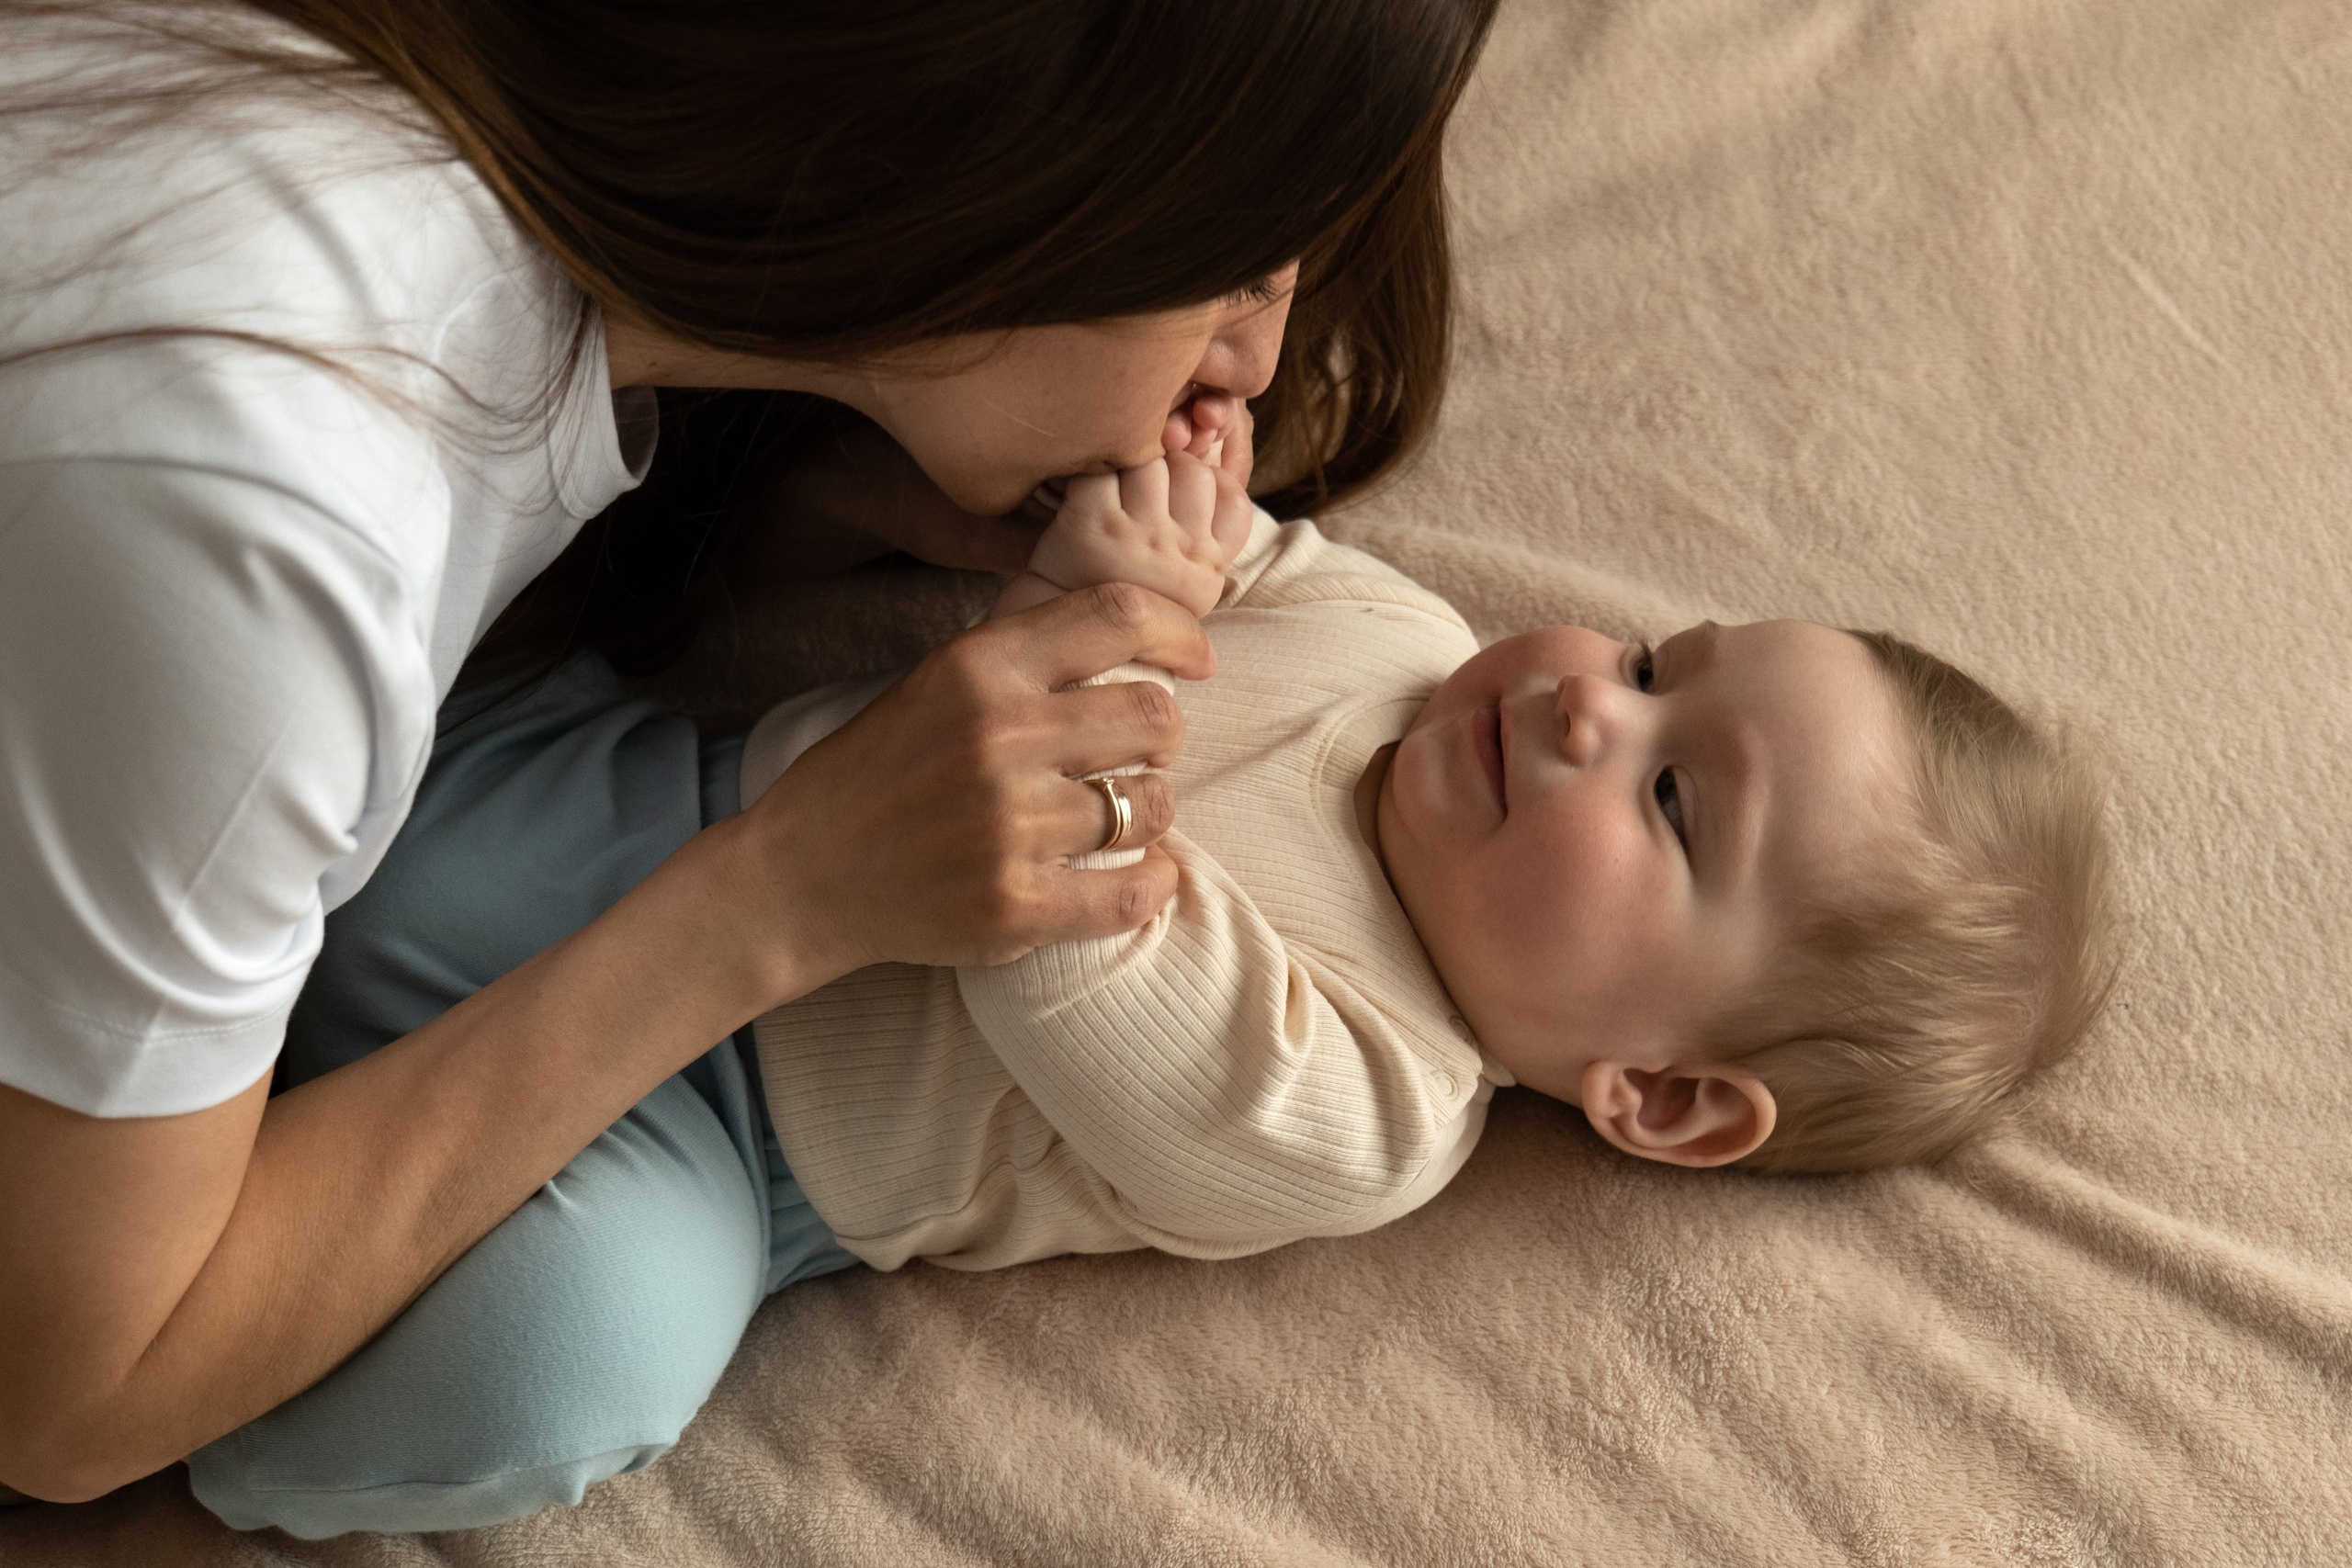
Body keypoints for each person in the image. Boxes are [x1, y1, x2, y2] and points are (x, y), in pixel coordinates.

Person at [0, 0, 1502, 1515]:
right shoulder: (274, 518)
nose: (1255, 361)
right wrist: (782, 893)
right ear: (1004, 147)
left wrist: (815, 503)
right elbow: (63, 1402)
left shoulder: (447, 232)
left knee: (571, 1331)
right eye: (1244, 270)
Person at [192, 424, 2115, 1536]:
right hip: (668, 808)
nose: (1583, 704)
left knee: (578, 1346)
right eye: (1649, 659)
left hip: (711, 1137)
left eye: (1674, 796)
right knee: (372, 779)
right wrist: (1153, 514)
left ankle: (209, 1430)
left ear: (1662, 1092)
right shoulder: (1394, 631)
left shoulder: (1373, 1107)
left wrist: (1062, 636)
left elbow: (1064, 938)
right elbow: (1207, 560)